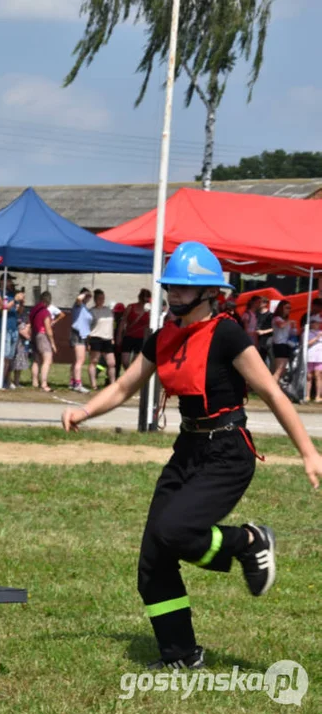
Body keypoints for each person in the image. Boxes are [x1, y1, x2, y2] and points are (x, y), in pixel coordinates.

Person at [62, 241, 321, 670]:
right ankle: (181, 655)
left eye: (184, 288)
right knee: (153, 560)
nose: (174, 294)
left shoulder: (228, 333)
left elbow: (272, 393)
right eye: (171, 287)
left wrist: (308, 453)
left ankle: (249, 541)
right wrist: (85, 410)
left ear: (208, 293)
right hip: (188, 448)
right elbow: (125, 386)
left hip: (227, 451)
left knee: (175, 529)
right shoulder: (163, 336)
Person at [87, 289, 116, 390]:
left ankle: (113, 384)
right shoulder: (91, 312)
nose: (101, 300)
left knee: (111, 363)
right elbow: (87, 327)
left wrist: (112, 337)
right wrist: (88, 342)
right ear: (95, 299)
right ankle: (94, 384)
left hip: (107, 338)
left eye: (103, 298)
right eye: (99, 298)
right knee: (94, 361)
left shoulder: (108, 310)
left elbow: (111, 324)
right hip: (96, 338)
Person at [29, 291, 56, 392]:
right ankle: (44, 383)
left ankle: (35, 382)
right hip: (42, 335)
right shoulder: (45, 312)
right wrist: (53, 343)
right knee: (47, 359)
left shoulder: (34, 310)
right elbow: (48, 329)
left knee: (36, 360)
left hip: (34, 334)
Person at [69, 288, 93, 393]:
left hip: (83, 335)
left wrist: (88, 341)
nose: (88, 298)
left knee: (76, 360)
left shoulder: (85, 308)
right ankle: (78, 384)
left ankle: (73, 381)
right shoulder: (78, 305)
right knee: (80, 360)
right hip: (77, 334)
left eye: (89, 296)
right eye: (87, 296)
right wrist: (84, 293)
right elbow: (78, 298)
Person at [268, 300, 296, 383]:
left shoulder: (286, 320)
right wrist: (290, 322)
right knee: (279, 368)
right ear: (281, 308)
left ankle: (276, 384)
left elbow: (291, 332)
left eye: (290, 308)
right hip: (279, 344)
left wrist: (293, 327)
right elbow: (281, 325)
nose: (288, 310)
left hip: (285, 344)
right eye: (287, 308)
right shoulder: (277, 318)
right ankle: (272, 385)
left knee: (283, 369)